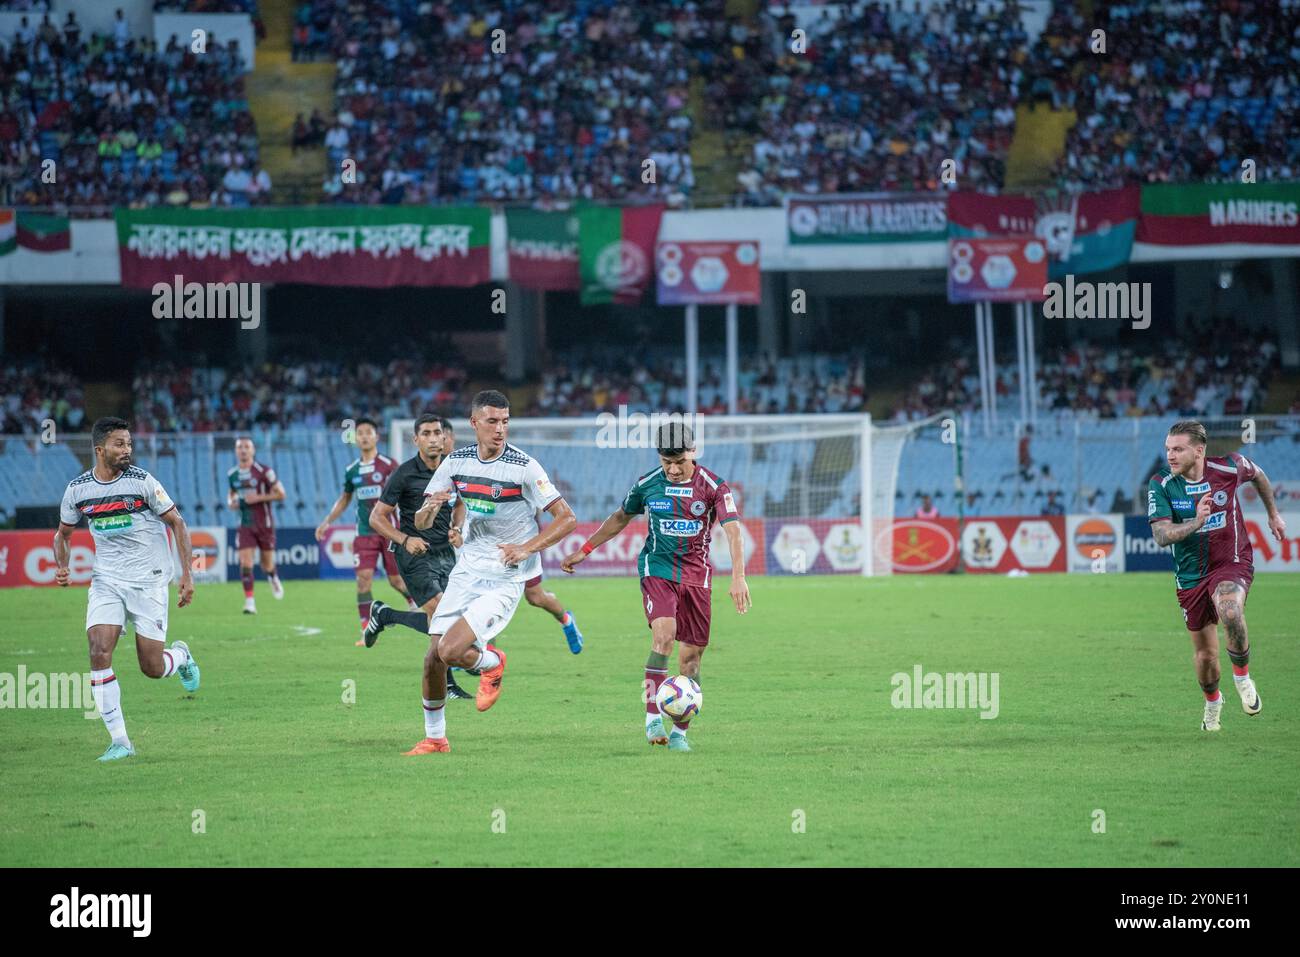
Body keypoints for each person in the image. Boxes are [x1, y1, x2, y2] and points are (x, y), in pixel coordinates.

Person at [402, 391, 577, 754]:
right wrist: (428, 513)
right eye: (493, 421)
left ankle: (493, 662)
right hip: (467, 570)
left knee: (450, 650)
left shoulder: (524, 466)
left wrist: (526, 549)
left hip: (507, 574)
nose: (500, 429)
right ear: (474, 424)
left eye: (505, 421)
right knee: (433, 657)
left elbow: (567, 518)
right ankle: (436, 739)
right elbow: (422, 520)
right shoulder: (456, 462)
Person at [561, 421, 752, 752]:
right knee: (663, 636)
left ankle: (680, 732)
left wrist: (738, 576)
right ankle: (652, 716)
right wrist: (585, 549)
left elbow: (733, 531)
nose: (674, 469)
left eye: (679, 461)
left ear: (692, 452)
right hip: (657, 569)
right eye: (667, 462)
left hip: (697, 578)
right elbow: (621, 517)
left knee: (690, 660)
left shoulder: (714, 487)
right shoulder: (648, 484)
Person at [55, 417, 200, 762]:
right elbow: (63, 534)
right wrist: (62, 564)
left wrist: (187, 575)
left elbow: (177, 523)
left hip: (149, 581)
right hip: (106, 580)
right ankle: (121, 741)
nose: (127, 450)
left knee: (151, 667)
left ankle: (180, 656)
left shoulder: (143, 483)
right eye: (120, 444)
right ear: (100, 449)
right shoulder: (78, 490)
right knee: (98, 649)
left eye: (130, 444)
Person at [1148, 420, 1286, 731]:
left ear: (1198, 451)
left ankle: (1243, 677)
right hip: (1190, 577)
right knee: (1206, 657)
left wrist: (1273, 514)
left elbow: (1259, 475)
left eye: (1178, 449)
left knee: (1230, 609)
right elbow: (1161, 534)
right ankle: (1213, 701)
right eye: (1168, 449)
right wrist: (1196, 522)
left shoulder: (1229, 467)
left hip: (1231, 561)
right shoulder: (1161, 483)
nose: (1170, 455)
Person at [442, 417, 583, 653]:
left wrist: (526, 546)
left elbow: (562, 515)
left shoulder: (515, 464)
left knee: (536, 597)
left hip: (515, 544)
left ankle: (566, 620)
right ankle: (476, 653)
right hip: (478, 545)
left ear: (451, 438)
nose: (437, 442)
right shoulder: (455, 467)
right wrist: (457, 529)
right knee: (477, 596)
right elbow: (462, 504)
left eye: (442, 437)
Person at [362, 414, 470, 699]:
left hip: (445, 553)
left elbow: (461, 503)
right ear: (416, 440)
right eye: (427, 433)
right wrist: (405, 539)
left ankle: (385, 615)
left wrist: (456, 527)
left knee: (449, 619)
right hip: (414, 555)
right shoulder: (404, 473)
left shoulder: (452, 471)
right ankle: (448, 684)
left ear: (445, 437)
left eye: (438, 432)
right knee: (441, 615)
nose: (434, 438)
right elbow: (377, 517)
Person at [315, 417, 418, 646]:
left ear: (376, 436)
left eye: (367, 432)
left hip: (389, 531)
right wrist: (326, 522)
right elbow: (345, 499)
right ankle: (366, 629)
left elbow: (404, 495)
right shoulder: (352, 471)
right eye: (359, 433)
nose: (363, 436)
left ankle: (415, 604)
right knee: (363, 581)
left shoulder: (389, 465)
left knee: (396, 581)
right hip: (364, 533)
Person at [227, 436, 285, 614]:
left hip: (264, 524)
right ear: (236, 451)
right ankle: (250, 602)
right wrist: (231, 502)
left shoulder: (264, 471)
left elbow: (281, 494)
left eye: (246, 447)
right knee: (245, 561)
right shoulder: (232, 474)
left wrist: (258, 498)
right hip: (245, 523)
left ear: (253, 450)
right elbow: (231, 495)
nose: (243, 450)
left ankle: (272, 575)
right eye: (240, 447)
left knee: (266, 563)